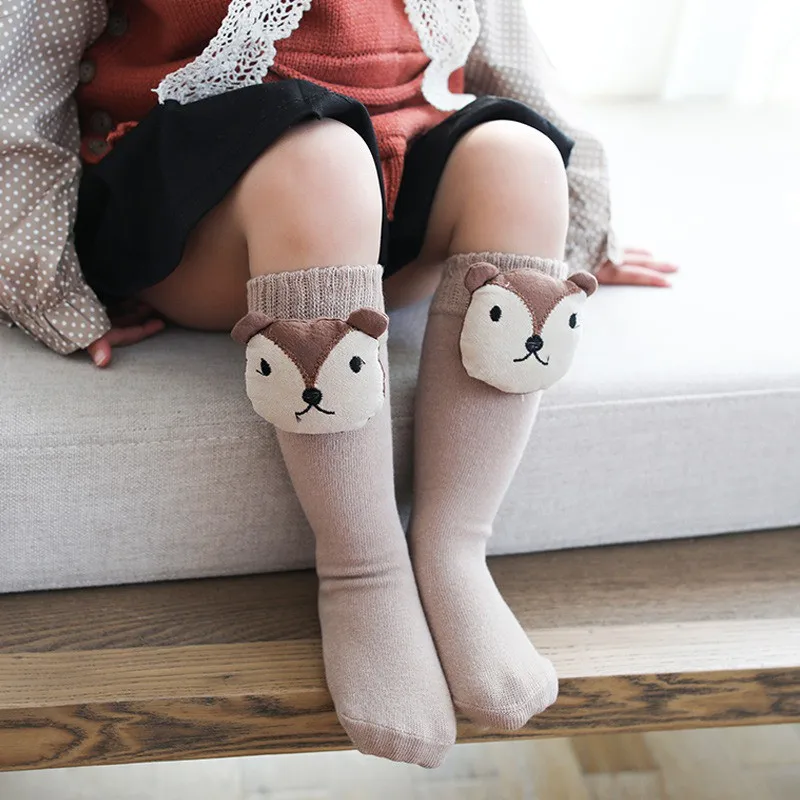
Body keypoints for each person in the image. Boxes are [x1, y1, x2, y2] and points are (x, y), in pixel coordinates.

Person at [0, 0, 676, 768]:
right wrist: (48, 290)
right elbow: (20, 91)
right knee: (319, 158)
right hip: (207, 223)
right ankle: (363, 571)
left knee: (521, 155)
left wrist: (586, 231)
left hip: (388, 211)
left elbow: (521, 75)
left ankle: (455, 549)